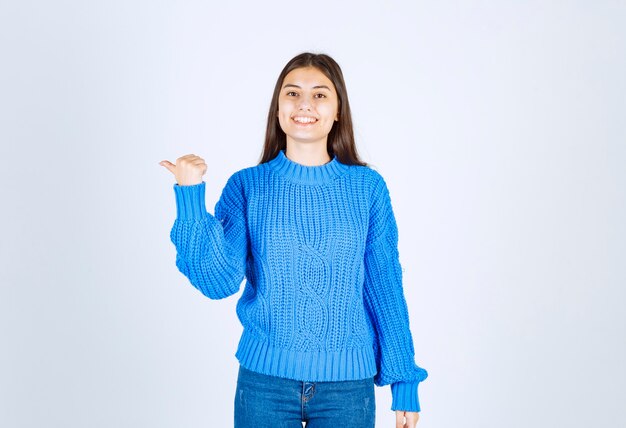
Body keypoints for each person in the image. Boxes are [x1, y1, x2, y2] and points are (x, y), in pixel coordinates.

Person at [160, 52, 428, 428]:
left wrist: (404, 381)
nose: (305, 104)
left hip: (348, 388)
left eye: (320, 95)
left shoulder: (367, 189)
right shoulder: (247, 186)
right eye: (292, 93)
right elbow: (217, 281)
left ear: (338, 111)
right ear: (278, 108)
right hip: (264, 383)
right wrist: (189, 198)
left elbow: (384, 287)